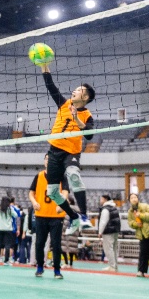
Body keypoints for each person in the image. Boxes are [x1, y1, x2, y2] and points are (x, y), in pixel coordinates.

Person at [37, 60, 95, 233]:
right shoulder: (64, 104)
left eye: (79, 90)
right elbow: (50, 86)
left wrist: (76, 119)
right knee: (52, 192)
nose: (74, 91)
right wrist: (44, 66)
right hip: (54, 151)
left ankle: (84, 216)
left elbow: (89, 135)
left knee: (73, 175)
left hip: (71, 153)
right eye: (75, 89)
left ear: (85, 97)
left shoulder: (87, 115)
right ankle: (73, 217)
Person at [28, 156, 68, 279]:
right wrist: (34, 202)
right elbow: (31, 192)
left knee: (56, 244)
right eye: (46, 159)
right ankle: (40, 267)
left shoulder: (61, 176)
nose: (48, 160)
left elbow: (65, 191)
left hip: (56, 215)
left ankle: (57, 270)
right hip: (41, 214)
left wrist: (62, 203)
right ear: (44, 161)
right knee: (39, 243)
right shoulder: (39, 176)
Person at [97, 194, 121, 272]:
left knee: (108, 249)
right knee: (114, 249)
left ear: (105, 199)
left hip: (108, 231)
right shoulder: (114, 207)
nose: (100, 201)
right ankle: (115, 266)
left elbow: (103, 221)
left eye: (101, 199)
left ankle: (112, 266)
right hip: (115, 231)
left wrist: (100, 232)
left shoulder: (105, 209)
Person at [0, 197, 17, 265]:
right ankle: (6, 261)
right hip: (8, 229)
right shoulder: (10, 209)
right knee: (7, 245)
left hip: (0, 229)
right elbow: (15, 215)